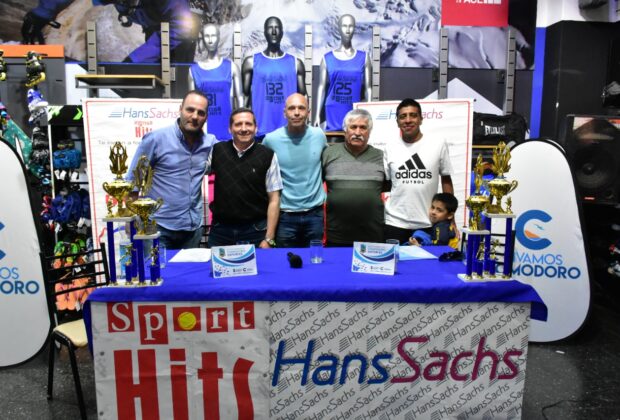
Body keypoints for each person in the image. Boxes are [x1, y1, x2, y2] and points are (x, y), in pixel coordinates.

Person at [126, 90, 216, 249]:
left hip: (192, 229)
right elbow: (133, 184)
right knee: (156, 266)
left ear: (206, 117)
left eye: (201, 113)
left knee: (189, 267)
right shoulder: (155, 139)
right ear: (180, 109)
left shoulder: (210, 143)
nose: (195, 116)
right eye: (190, 110)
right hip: (157, 228)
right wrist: (132, 219)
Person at [21, 0, 197, 63]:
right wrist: (41, 14)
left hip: (183, 27)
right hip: (153, 19)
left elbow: (181, 27)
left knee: (174, 76)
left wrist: (138, 58)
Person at [207, 108, 282, 248]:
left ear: (256, 128)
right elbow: (195, 171)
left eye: (248, 124)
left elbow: (274, 199)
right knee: (216, 263)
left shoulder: (268, 155)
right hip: (220, 231)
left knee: (259, 264)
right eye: (238, 124)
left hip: (255, 231)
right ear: (230, 129)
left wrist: (269, 238)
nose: (243, 129)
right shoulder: (217, 150)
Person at [383, 98, 454, 244]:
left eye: (413, 115)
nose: (408, 120)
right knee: (394, 259)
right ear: (397, 122)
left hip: (428, 223)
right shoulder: (389, 147)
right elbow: (387, 184)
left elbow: (446, 179)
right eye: (403, 116)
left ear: (421, 119)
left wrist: (450, 219)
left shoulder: (438, 144)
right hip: (394, 223)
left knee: (428, 260)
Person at [263, 93, 327, 248]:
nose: (297, 112)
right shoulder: (271, 140)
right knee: (285, 260)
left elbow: (325, 166)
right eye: (292, 108)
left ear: (308, 112)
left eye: (301, 108)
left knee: (314, 259)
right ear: (284, 113)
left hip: (315, 214)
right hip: (285, 215)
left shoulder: (319, 135)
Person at [321, 109, 387, 246]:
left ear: (369, 131)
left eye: (363, 127)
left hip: (373, 235)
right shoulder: (328, 154)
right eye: (353, 127)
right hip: (336, 235)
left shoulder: (381, 156)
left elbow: (389, 190)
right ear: (345, 130)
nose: (357, 132)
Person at [242, 16, 307, 136]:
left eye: (277, 28)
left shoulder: (296, 64)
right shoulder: (251, 62)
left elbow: (303, 97)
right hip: (260, 132)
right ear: (264, 32)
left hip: (289, 133)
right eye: (270, 28)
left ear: (282, 32)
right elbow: (245, 98)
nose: (273, 31)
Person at [313, 14, 372, 131]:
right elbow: (321, 88)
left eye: (351, 26)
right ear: (339, 28)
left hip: (354, 111)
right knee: (334, 141)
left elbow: (368, 88)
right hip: (332, 110)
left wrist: (370, 113)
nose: (348, 30)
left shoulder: (363, 58)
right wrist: (317, 115)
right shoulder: (327, 58)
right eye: (344, 26)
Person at [189, 24, 244, 141]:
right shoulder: (194, 70)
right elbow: (191, 104)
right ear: (203, 38)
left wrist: (240, 125)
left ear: (219, 37)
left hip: (227, 131)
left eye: (213, 35)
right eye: (207, 36)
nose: (210, 40)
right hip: (203, 132)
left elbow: (240, 98)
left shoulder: (231, 67)